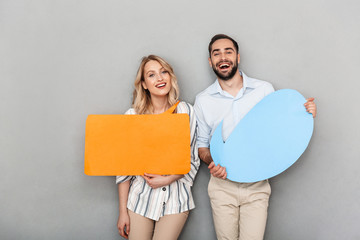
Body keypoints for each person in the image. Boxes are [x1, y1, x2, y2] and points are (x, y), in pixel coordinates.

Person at [194, 34, 317, 240]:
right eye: (217, 53)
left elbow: (279, 127)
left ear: (238, 57)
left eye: (228, 52)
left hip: (257, 185)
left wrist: (304, 113)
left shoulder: (263, 90)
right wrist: (212, 161)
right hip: (222, 187)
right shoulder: (203, 100)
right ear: (211, 61)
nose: (223, 57)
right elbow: (202, 145)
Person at [116, 55, 200, 240]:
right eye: (151, 75)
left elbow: (192, 158)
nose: (160, 78)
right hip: (139, 199)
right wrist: (123, 212)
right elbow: (124, 169)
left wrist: (168, 179)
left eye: (164, 72)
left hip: (176, 200)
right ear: (144, 84)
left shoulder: (187, 111)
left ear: (171, 77)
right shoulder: (132, 116)